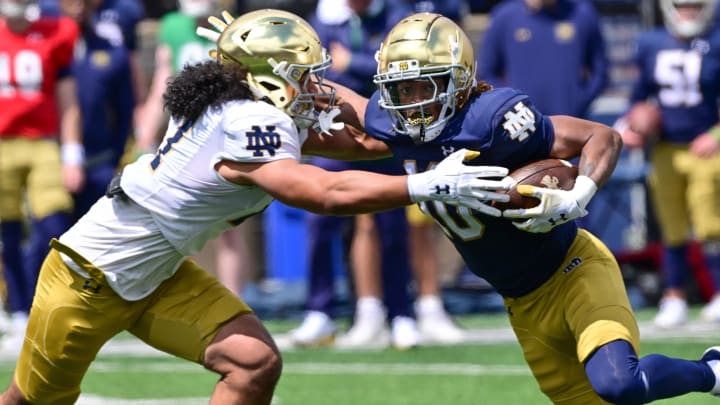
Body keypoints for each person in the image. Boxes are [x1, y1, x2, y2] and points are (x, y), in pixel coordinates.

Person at [0, 9, 512, 403]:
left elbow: (369, 143)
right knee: (30, 400)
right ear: (268, 78)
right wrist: (424, 187)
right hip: (91, 277)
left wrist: (436, 131)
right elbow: (322, 192)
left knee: (252, 362)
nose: (317, 87)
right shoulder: (250, 121)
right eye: (305, 75)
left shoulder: (243, 107)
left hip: (158, 272)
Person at [334, 12, 720, 404]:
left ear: (460, 77)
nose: (414, 103)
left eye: (426, 86)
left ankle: (712, 371)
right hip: (521, 304)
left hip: (573, 271)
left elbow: (601, 135)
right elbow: (345, 103)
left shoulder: (492, 120)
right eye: (402, 90)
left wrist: (576, 196)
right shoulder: (395, 126)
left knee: (620, 383)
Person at [289, 0, 423, 350]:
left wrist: (352, 62)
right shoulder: (324, 16)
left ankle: (401, 313)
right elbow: (317, 75)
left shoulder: (395, 14)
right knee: (318, 220)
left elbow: (396, 69)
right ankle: (321, 312)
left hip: (384, 129)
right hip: (336, 128)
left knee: (392, 227)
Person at [135, 0, 258, 297]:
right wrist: (144, 138)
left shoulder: (238, 26)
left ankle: (234, 301)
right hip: (187, 141)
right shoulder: (173, 26)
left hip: (230, 137)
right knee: (180, 225)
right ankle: (188, 301)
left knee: (230, 227)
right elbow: (161, 87)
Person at [619, 0, 720, 328]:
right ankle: (673, 296)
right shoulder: (651, 43)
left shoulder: (716, 41)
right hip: (664, 147)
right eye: (683, 5)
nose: (689, 11)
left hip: (705, 147)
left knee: (710, 225)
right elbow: (640, 97)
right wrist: (633, 125)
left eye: (695, 5)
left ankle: (718, 294)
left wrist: (716, 134)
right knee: (671, 227)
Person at [0, 0, 83, 355]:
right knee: (6, 229)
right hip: (2, 142)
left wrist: (72, 151)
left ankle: (46, 303)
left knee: (53, 220)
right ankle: (17, 309)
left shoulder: (57, 31)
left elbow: (67, 96)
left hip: (42, 141)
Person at [478, 0, 608, 119]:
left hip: (572, 126)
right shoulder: (505, 16)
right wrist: (510, 104)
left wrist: (580, 101)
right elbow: (487, 73)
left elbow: (600, 71)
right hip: (522, 129)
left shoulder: (581, 13)